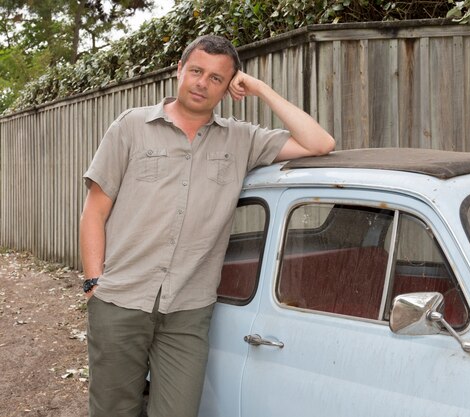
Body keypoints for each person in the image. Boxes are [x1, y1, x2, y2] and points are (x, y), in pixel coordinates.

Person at [79, 34, 334, 417]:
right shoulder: (131, 126)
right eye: (196, 71)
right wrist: (93, 282)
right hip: (119, 301)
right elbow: (94, 211)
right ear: (179, 70)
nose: (202, 82)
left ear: (230, 86)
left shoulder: (243, 139)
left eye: (217, 78)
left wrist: (261, 88)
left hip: (188, 309)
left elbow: (319, 143)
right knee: (113, 409)